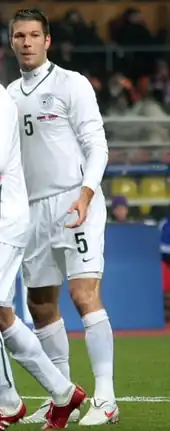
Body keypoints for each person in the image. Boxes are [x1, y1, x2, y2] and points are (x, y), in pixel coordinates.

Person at [8, 8, 119, 426]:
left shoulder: (71, 83)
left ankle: (106, 398)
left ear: (48, 40)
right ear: (12, 42)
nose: (27, 42)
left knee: (83, 294)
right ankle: (63, 397)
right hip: (32, 210)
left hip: (75, 202)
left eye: (35, 35)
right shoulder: (9, 97)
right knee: (39, 305)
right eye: (20, 36)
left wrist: (87, 195)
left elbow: (98, 145)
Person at [0, 83, 86, 430]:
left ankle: (8, 403)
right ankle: (64, 394)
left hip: (5, 218)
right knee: (4, 315)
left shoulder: (1, 103)